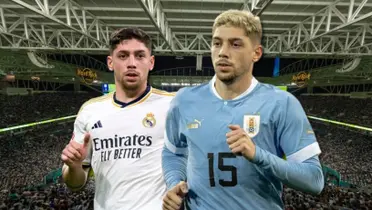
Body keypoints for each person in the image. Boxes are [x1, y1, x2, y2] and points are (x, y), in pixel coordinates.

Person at [161, 10, 324, 210]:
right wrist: (174, 182)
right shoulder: (184, 100)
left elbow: (314, 180)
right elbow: (173, 153)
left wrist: (258, 155)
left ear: (256, 53)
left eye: (235, 44)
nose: (223, 52)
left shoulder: (282, 103)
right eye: (217, 43)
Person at [61, 27, 174, 210]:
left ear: (151, 62)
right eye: (123, 56)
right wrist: (74, 166)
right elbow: (75, 184)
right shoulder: (90, 110)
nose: (132, 63)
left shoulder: (172, 105)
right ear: (110, 62)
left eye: (140, 55)